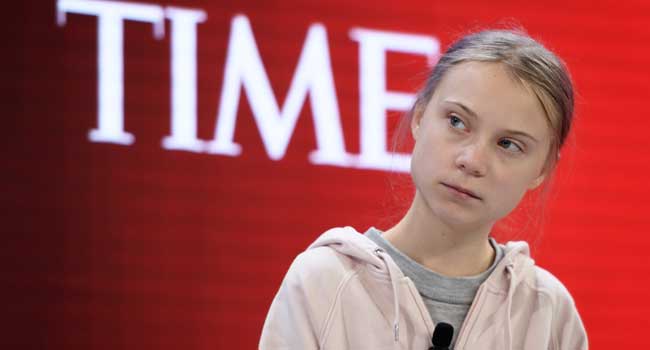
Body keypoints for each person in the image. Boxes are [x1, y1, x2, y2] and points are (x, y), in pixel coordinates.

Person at [258, 29, 588, 350]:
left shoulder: (549, 314)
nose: (472, 160)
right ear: (419, 116)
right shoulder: (323, 281)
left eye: (508, 144)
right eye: (457, 122)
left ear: (542, 168)